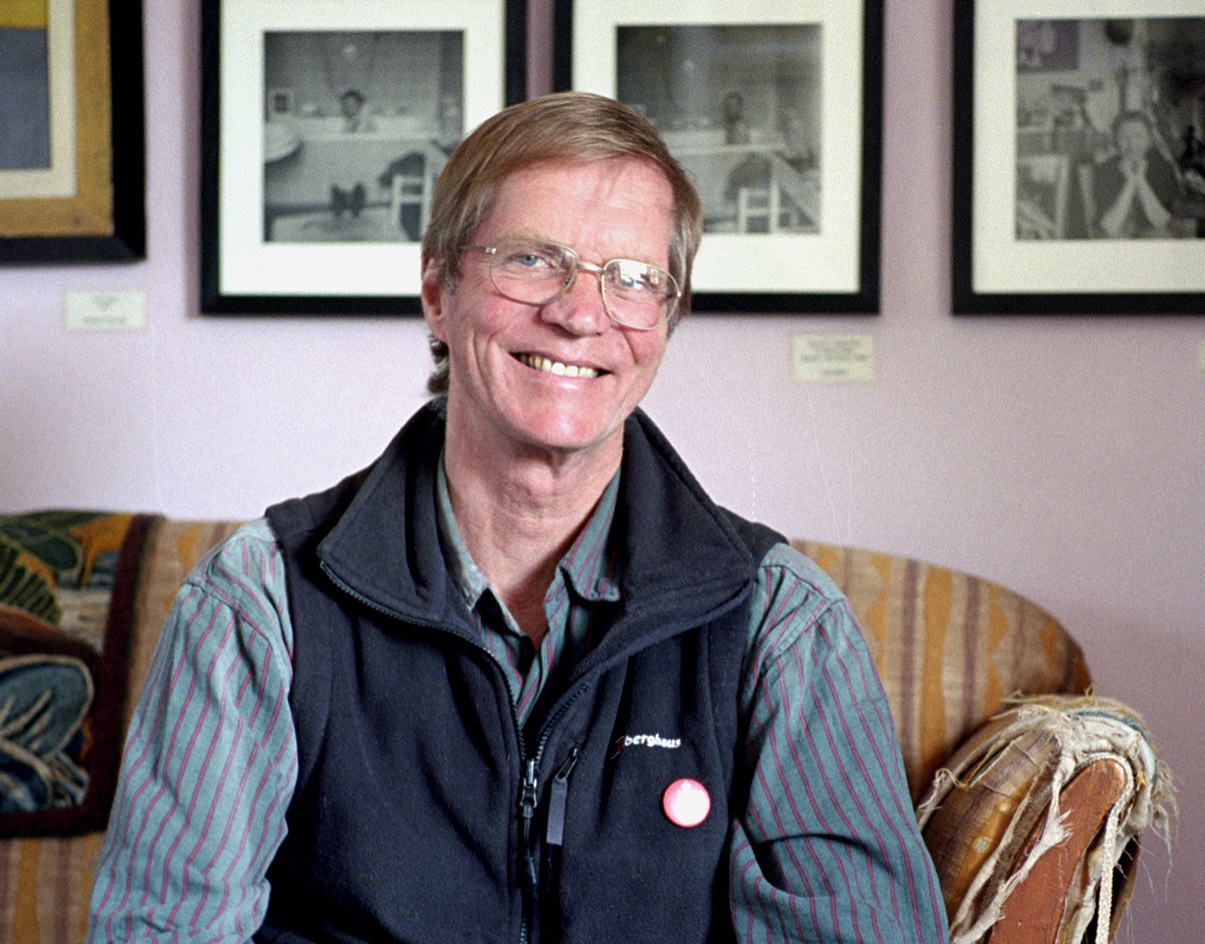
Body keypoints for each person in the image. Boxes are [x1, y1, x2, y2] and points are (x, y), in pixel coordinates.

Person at [87, 92, 949, 944]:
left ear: (665, 320)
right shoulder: (257, 603)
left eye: (632, 278)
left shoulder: (781, 625)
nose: (579, 314)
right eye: (532, 260)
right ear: (438, 288)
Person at [1093, 110, 1179, 238]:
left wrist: (1140, 179)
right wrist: (1130, 181)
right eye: (1124, 137)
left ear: (1149, 140)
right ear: (1115, 140)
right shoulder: (1106, 169)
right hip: (1117, 234)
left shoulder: (1162, 167)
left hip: (1152, 232)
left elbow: (1160, 221)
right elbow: (1110, 227)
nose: (1132, 144)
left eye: (1138, 136)